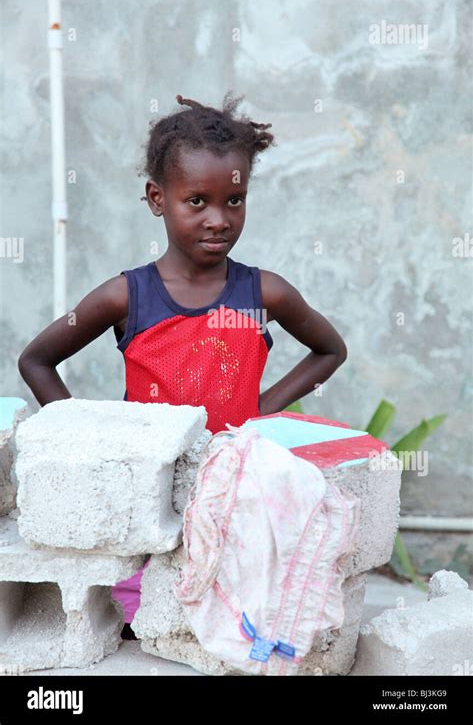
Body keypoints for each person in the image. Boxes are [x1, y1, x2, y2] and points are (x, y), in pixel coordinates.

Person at [17, 92, 348, 640]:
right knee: (143, 623)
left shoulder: (263, 293)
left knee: (227, 616)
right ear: (156, 198)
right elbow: (36, 359)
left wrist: (259, 410)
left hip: (231, 485)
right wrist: (87, 438)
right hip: (148, 494)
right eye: (197, 201)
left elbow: (330, 349)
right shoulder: (127, 296)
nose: (218, 219)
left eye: (234, 200)